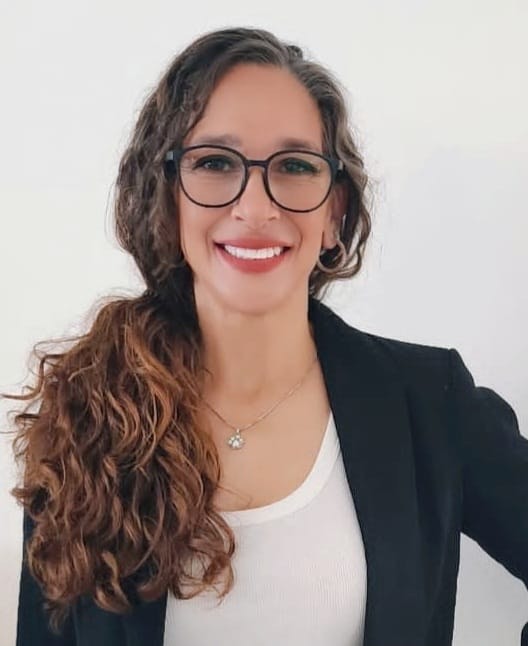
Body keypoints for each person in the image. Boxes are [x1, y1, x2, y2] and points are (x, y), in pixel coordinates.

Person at [6, 26, 527, 646]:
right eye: (215, 163)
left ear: (336, 212)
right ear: (166, 198)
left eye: (296, 165)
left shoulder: (431, 403)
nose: (255, 207)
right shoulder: (89, 407)